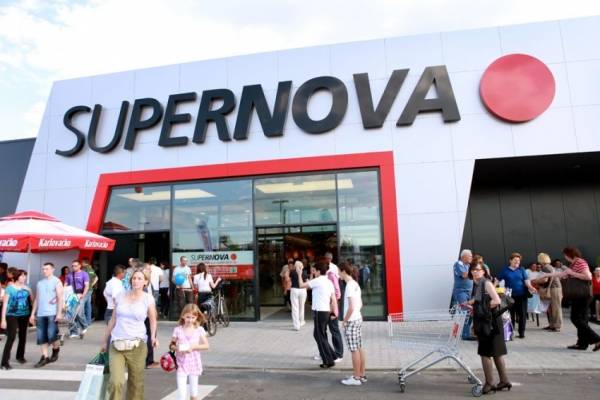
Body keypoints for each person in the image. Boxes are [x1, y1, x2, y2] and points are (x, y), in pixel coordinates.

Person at [101, 268, 159, 400]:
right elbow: (113, 320)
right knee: (116, 382)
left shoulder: (148, 298)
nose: (136, 281)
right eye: (134, 278)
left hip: (137, 345)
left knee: (136, 384)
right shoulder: (120, 296)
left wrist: (153, 337)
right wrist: (104, 341)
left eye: (139, 278)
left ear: (145, 282)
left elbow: (153, 320)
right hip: (117, 344)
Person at [468, 263, 511, 394]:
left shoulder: (486, 283)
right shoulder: (478, 284)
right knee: (496, 352)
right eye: (473, 270)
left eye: (478, 270)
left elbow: (497, 301)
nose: (475, 272)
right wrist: (470, 304)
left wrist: (480, 309)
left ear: (484, 272)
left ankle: (490, 383)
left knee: (485, 352)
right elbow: (479, 300)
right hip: (488, 321)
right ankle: (504, 381)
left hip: (490, 322)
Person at [297, 260, 338, 368]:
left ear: (319, 271)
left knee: (319, 336)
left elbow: (301, 285)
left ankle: (328, 361)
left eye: (315, 270)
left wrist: (299, 273)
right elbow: (333, 299)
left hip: (319, 312)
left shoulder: (318, 281)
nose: (314, 272)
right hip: (326, 311)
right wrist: (333, 312)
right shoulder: (328, 282)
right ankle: (332, 356)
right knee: (320, 334)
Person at [558, 247, 600, 351]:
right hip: (580, 295)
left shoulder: (580, 262)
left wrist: (572, 273)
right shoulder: (574, 263)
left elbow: (588, 276)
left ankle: (597, 339)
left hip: (581, 295)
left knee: (575, 318)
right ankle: (582, 343)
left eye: (565, 255)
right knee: (583, 320)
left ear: (569, 254)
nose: (565, 257)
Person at [170, 304, 210, 400]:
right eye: (188, 317)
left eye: (193, 317)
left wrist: (193, 347)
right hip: (181, 363)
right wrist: (179, 348)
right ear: (183, 316)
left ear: (196, 317)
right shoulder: (178, 330)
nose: (190, 320)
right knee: (181, 395)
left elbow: (206, 345)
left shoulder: (199, 330)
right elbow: (171, 345)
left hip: (194, 363)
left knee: (194, 393)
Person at [29, 262, 63, 368]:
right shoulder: (40, 283)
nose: (44, 271)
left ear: (53, 269)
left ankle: (56, 349)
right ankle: (45, 357)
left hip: (52, 313)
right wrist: (32, 314)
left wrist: (59, 313)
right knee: (41, 336)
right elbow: (37, 299)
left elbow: (60, 298)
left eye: (47, 269)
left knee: (51, 335)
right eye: (43, 269)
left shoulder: (57, 281)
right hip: (41, 313)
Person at [497, 253, 536, 339]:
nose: (517, 262)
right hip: (509, 296)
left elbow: (526, 280)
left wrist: (531, 287)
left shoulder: (521, 269)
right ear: (510, 260)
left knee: (522, 314)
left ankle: (521, 333)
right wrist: (492, 287)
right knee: (510, 315)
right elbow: (498, 279)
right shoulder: (505, 270)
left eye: (518, 261)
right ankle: (511, 333)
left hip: (522, 295)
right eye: (515, 260)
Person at [339, 262, 366, 386]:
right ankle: (361, 375)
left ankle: (356, 378)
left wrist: (344, 321)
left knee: (354, 350)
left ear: (343, 271)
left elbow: (351, 307)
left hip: (351, 321)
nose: (338, 274)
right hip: (357, 318)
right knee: (359, 347)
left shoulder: (349, 285)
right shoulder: (355, 284)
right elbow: (360, 304)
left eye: (339, 272)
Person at [1, 269, 32, 369]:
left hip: (24, 315)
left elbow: (31, 301)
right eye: (22, 275)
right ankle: (4, 362)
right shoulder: (10, 288)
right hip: (11, 315)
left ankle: (20, 356)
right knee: (11, 336)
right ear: (17, 277)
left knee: (23, 336)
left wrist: (32, 315)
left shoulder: (27, 288)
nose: (24, 277)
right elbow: (5, 304)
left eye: (25, 276)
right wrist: (3, 319)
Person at [451, 249, 475, 340]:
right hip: (461, 292)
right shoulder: (458, 264)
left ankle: (464, 332)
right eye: (470, 256)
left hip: (469, 292)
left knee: (470, 312)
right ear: (464, 256)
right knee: (466, 310)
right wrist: (474, 272)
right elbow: (464, 275)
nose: (471, 258)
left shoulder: (468, 265)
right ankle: (465, 334)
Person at [65, 259, 90, 338]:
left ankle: (84, 326)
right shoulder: (69, 275)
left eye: (75, 266)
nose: (74, 267)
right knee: (70, 314)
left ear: (80, 266)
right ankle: (73, 332)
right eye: (72, 266)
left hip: (81, 294)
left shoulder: (84, 274)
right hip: (71, 295)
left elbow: (86, 286)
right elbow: (65, 285)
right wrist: (64, 295)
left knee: (79, 312)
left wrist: (83, 295)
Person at [325, 255, 343, 361]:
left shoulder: (331, 274)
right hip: (325, 306)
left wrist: (333, 303)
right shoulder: (325, 276)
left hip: (332, 305)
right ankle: (325, 352)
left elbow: (337, 292)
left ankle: (339, 353)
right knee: (323, 330)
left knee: (334, 329)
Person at [538, 253, 562, 332]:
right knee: (552, 308)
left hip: (554, 288)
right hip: (555, 288)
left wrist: (536, 282)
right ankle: (552, 325)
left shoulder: (546, 267)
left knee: (555, 308)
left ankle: (557, 326)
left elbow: (547, 279)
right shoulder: (549, 267)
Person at [288, 260, 308, 331]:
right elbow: (306, 282)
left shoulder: (292, 272)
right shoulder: (304, 273)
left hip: (294, 290)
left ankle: (296, 325)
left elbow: (289, 280)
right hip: (302, 290)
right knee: (302, 306)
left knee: (295, 308)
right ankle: (301, 321)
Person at [81, 258, 98, 327]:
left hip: (85, 289)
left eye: (82, 262)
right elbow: (96, 278)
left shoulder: (84, 269)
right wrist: (91, 285)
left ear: (84, 263)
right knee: (88, 305)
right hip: (90, 289)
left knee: (82, 305)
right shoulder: (91, 269)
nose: (81, 264)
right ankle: (88, 321)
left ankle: (83, 322)